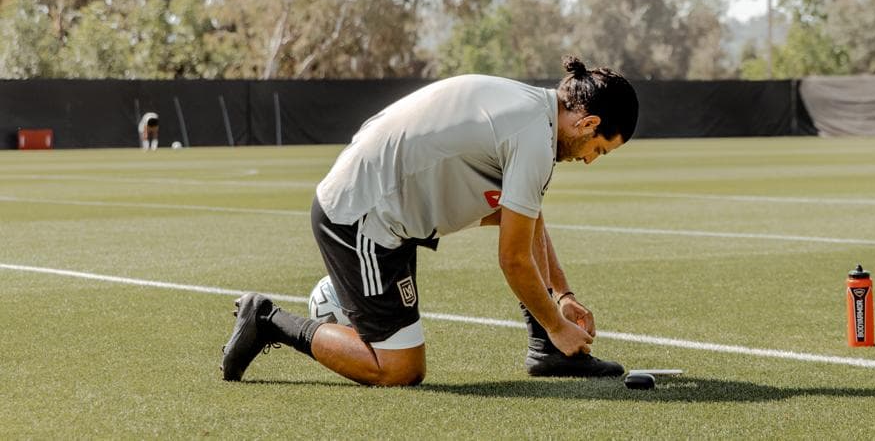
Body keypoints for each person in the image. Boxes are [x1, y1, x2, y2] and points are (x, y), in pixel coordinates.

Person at [220, 56, 639, 386]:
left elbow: (527, 218)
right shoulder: (532, 137)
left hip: (383, 210)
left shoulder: (533, 109)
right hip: (359, 218)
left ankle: (544, 348)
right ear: (587, 123)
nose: (588, 160)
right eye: (598, 150)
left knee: (519, 213)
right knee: (399, 370)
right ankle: (267, 320)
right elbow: (513, 259)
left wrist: (561, 296)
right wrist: (558, 326)